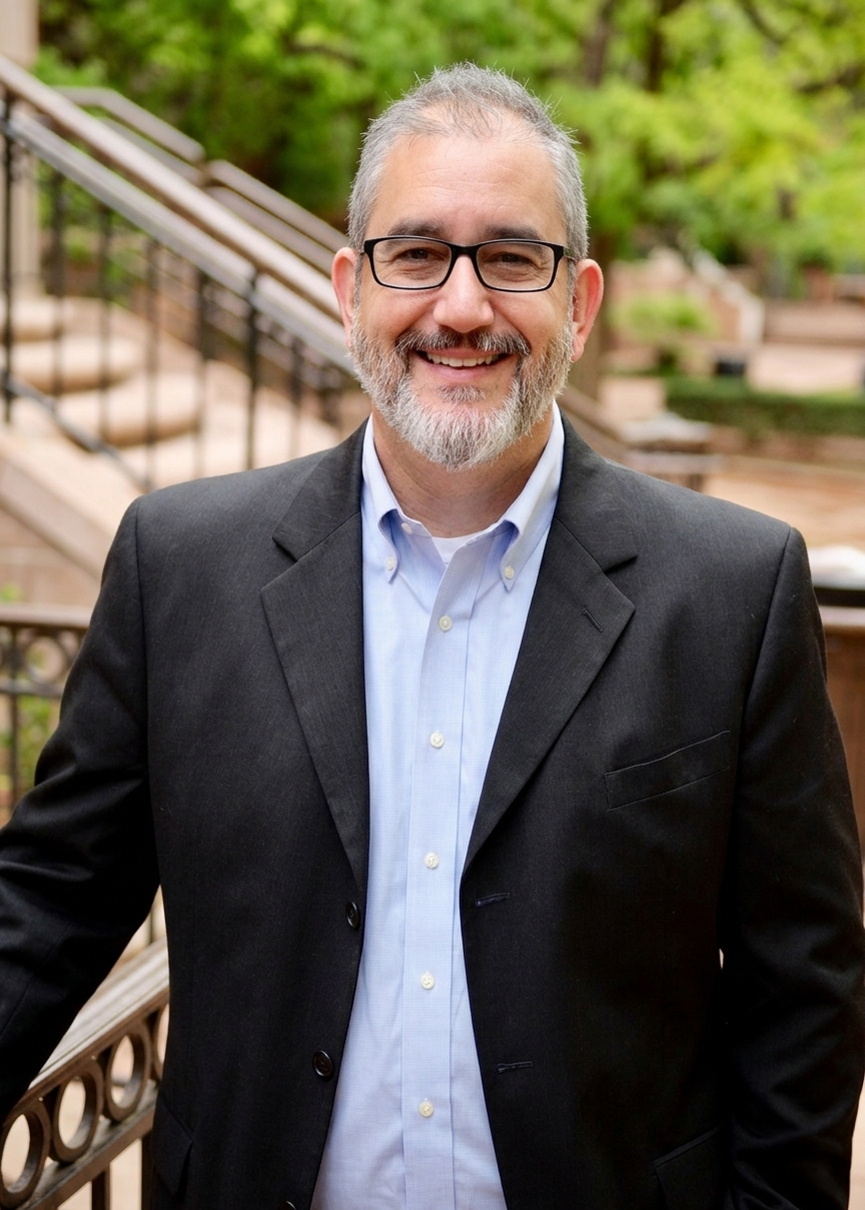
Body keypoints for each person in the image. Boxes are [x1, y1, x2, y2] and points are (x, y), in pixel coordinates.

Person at [0, 63, 862, 1210]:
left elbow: (802, 990)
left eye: (512, 258)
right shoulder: (180, 569)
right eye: (416, 255)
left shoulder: (733, 591)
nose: (461, 307)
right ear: (350, 289)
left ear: (581, 301)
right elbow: (50, 899)